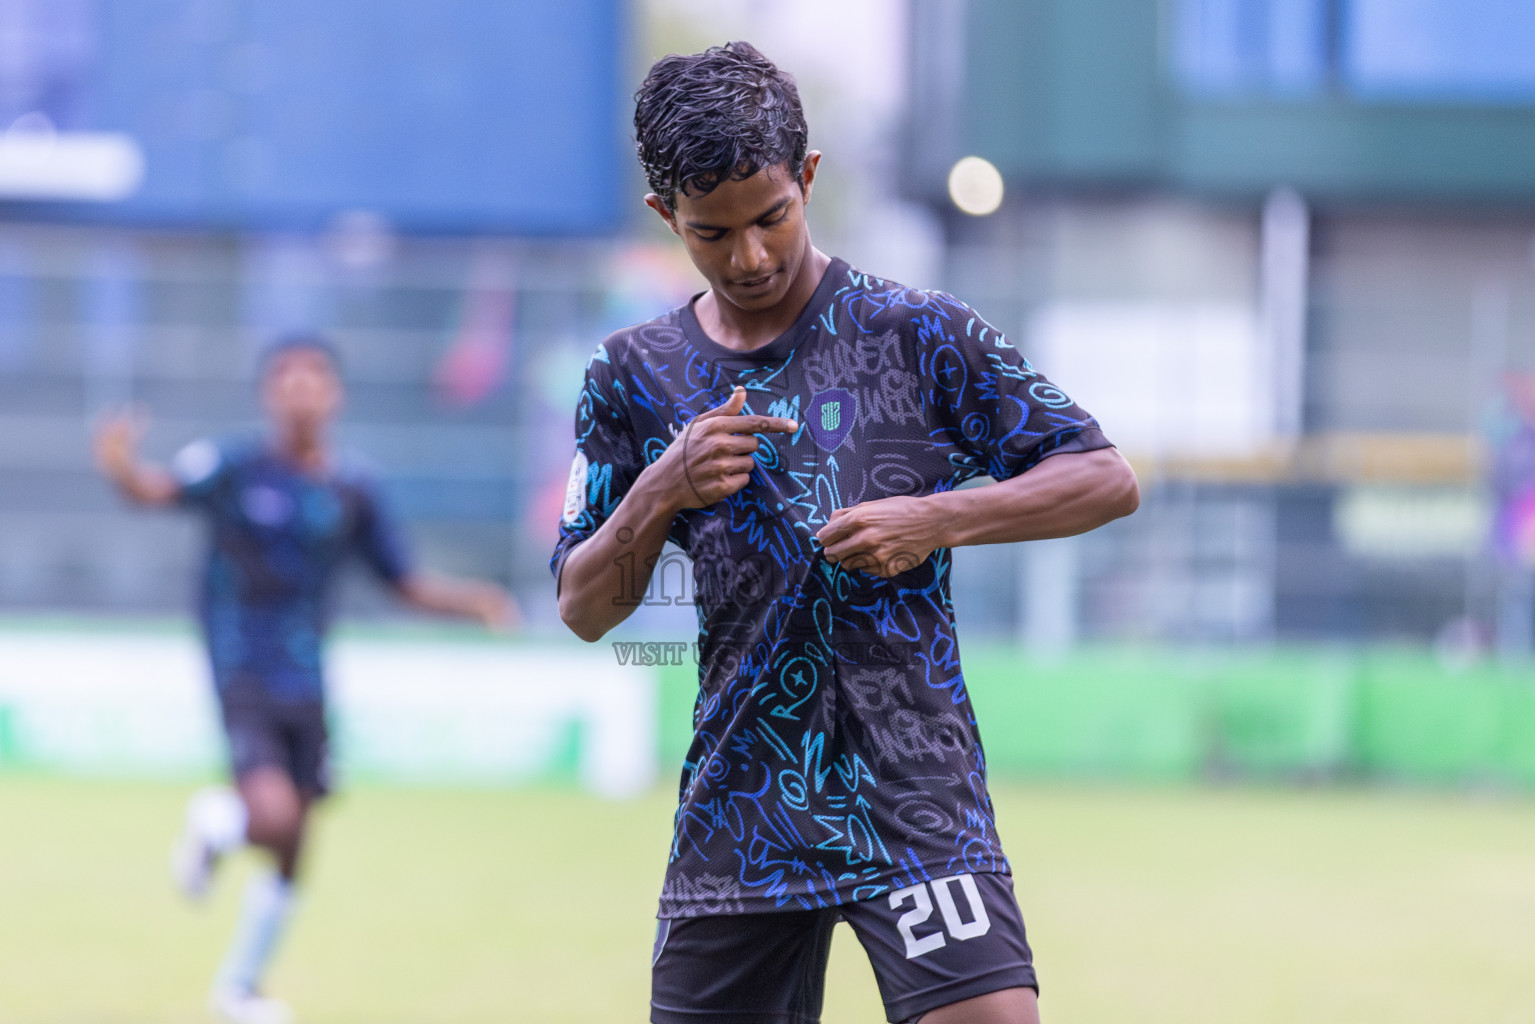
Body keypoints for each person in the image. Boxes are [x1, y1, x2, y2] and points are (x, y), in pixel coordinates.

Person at [552, 42, 1139, 1024]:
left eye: (770, 217)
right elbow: (580, 606)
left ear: (808, 178)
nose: (749, 255)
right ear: (666, 218)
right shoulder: (631, 373)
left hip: (911, 789)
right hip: (739, 806)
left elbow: (1100, 477)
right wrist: (664, 485)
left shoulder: (918, 333)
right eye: (712, 232)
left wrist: (935, 516)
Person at [94, 336, 516, 1024]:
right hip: (241, 669)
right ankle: (218, 820)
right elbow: (155, 490)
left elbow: (400, 581)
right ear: (267, 393)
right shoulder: (232, 467)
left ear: (335, 394)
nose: (300, 389)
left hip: (308, 680)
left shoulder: (352, 488)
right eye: (285, 377)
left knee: (293, 846)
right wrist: (119, 467)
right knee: (272, 815)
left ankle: (240, 987)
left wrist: (477, 601)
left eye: (313, 377)